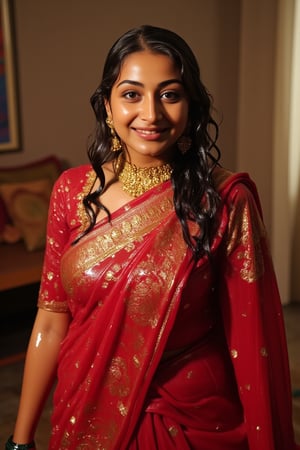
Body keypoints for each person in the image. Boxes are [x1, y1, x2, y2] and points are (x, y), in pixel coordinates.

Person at [6, 24, 299, 450]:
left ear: (191, 105)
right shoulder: (71, 191)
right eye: (131, 94)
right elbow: (52, 321)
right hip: (84, 410)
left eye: (170, 94)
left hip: (188, 417)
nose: (151, 114)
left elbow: (250, 339)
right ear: (107, 104)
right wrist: (20, 439)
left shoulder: (224, 200)